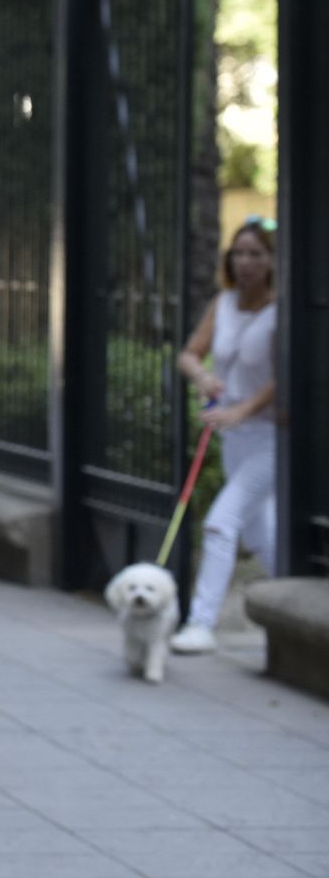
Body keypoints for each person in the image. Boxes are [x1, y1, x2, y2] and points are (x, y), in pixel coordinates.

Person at [170, 218, 278, 654]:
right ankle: (299, 606)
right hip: (234, 438)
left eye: (256, 253)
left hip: (271, 438)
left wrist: (242, 410)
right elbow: (190, 353)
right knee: (261, 536)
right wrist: (204, 378)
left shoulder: (281, 309)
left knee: (220, 523)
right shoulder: (226, 302)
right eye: (240, 253)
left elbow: (283, 378)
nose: (247, 262)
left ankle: (200, 623)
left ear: (272, 260)